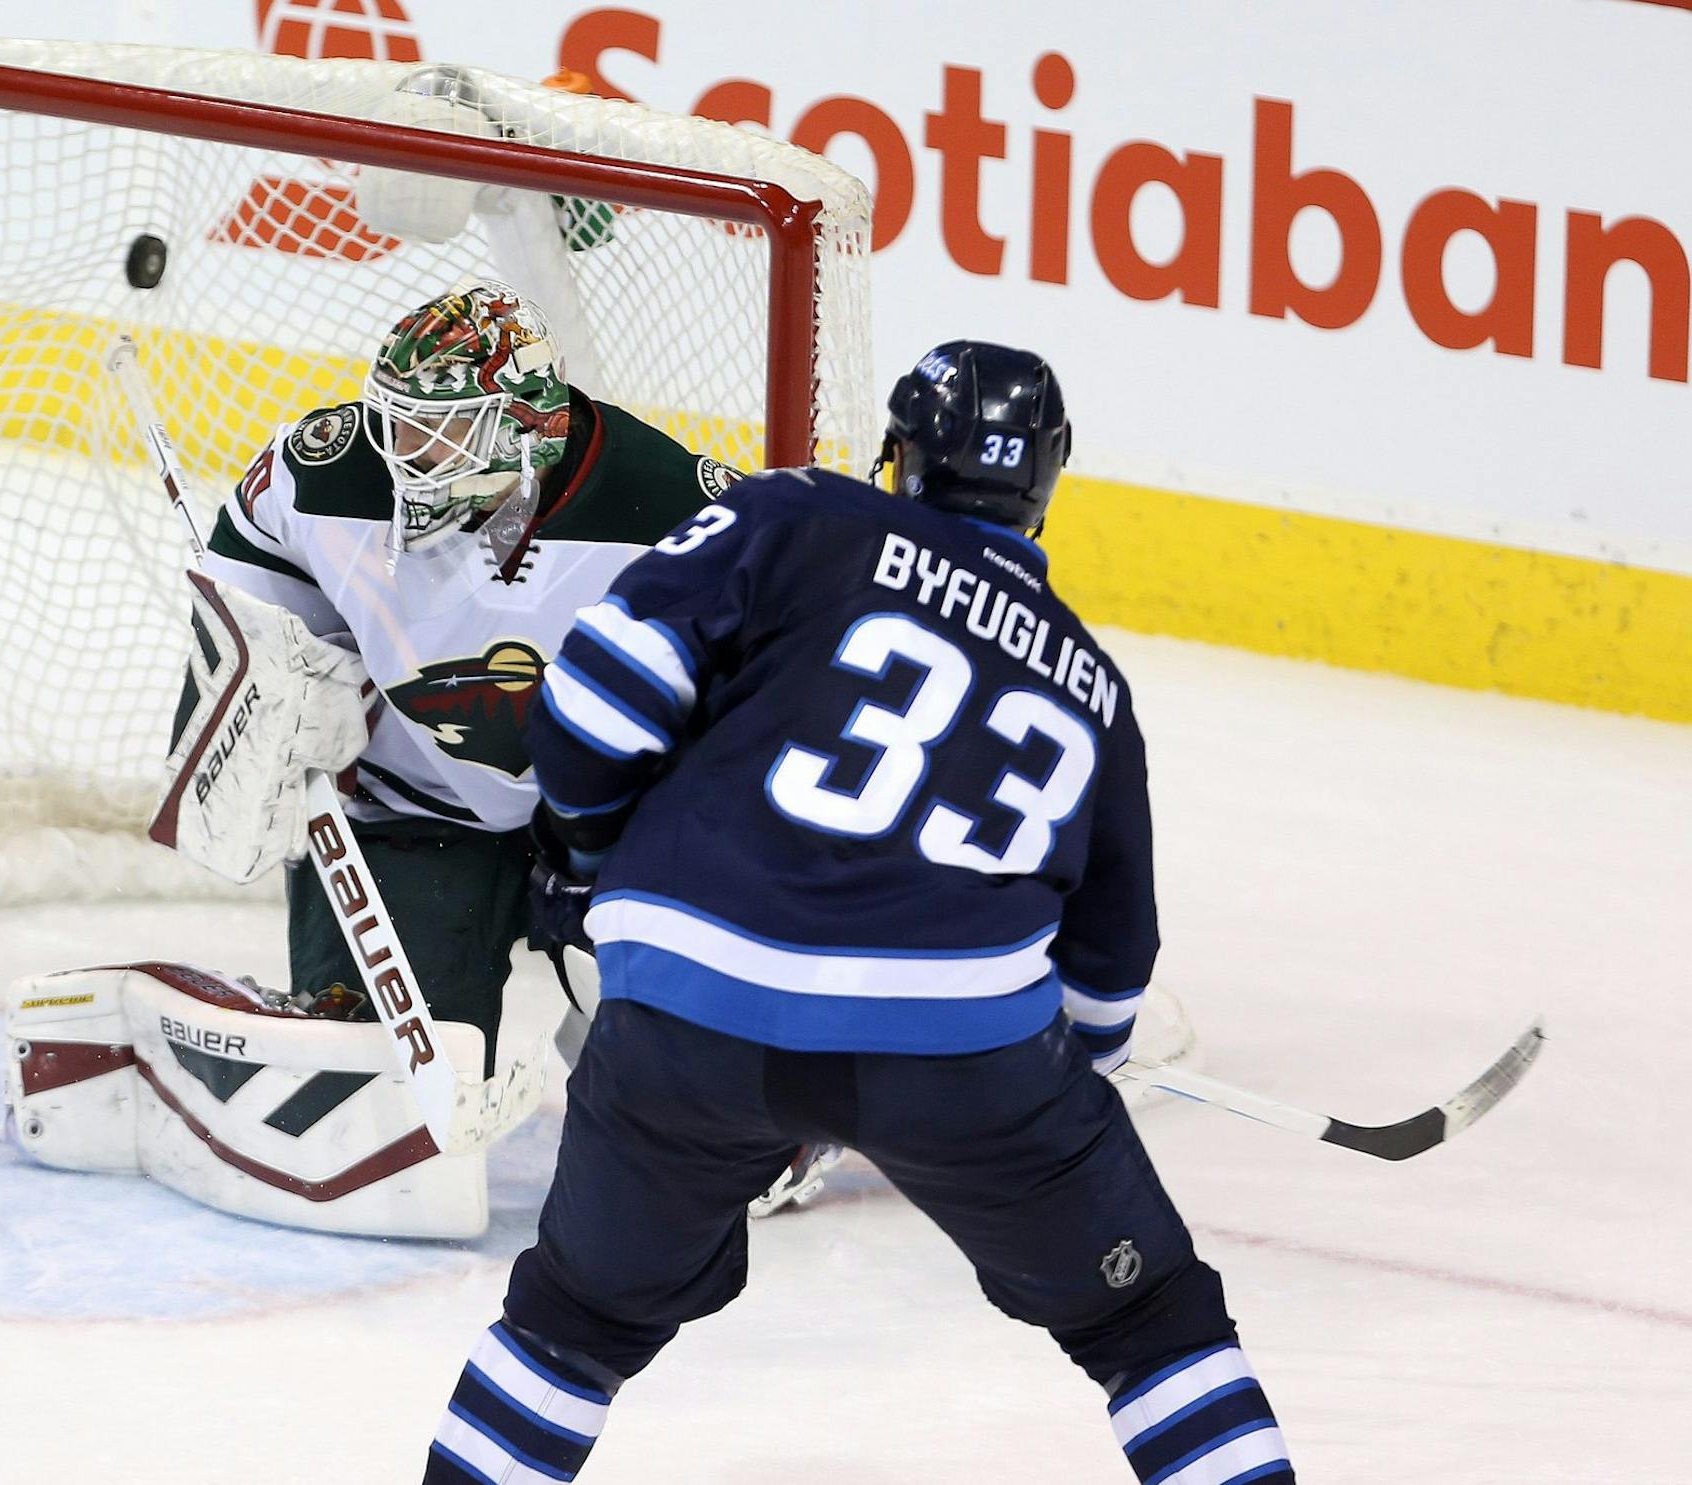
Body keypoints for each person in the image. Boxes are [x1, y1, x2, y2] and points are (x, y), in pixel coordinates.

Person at [421, 342, 1297, 1483]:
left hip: (688, 1015)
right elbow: (1109, 981)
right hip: (959, 1054)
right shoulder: (1091, 683)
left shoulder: (802, 514)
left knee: (570, 1328)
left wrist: (588, 855)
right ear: (1050, 479)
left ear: (899, 457)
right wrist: (1053, 1093)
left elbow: (598, 698)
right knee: (1155, 1332)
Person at [197, 278, 739, 1071]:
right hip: (414, 811)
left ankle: (743, 1104)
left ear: (530, 431)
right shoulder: (324, 475)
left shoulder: (670, 513)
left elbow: (771, 677)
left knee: (682, 1065)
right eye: (398, 424)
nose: (405, 456)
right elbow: (246, 587)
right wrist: (292, 688)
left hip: (613, 830)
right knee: (372, 1080)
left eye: (442, 432)